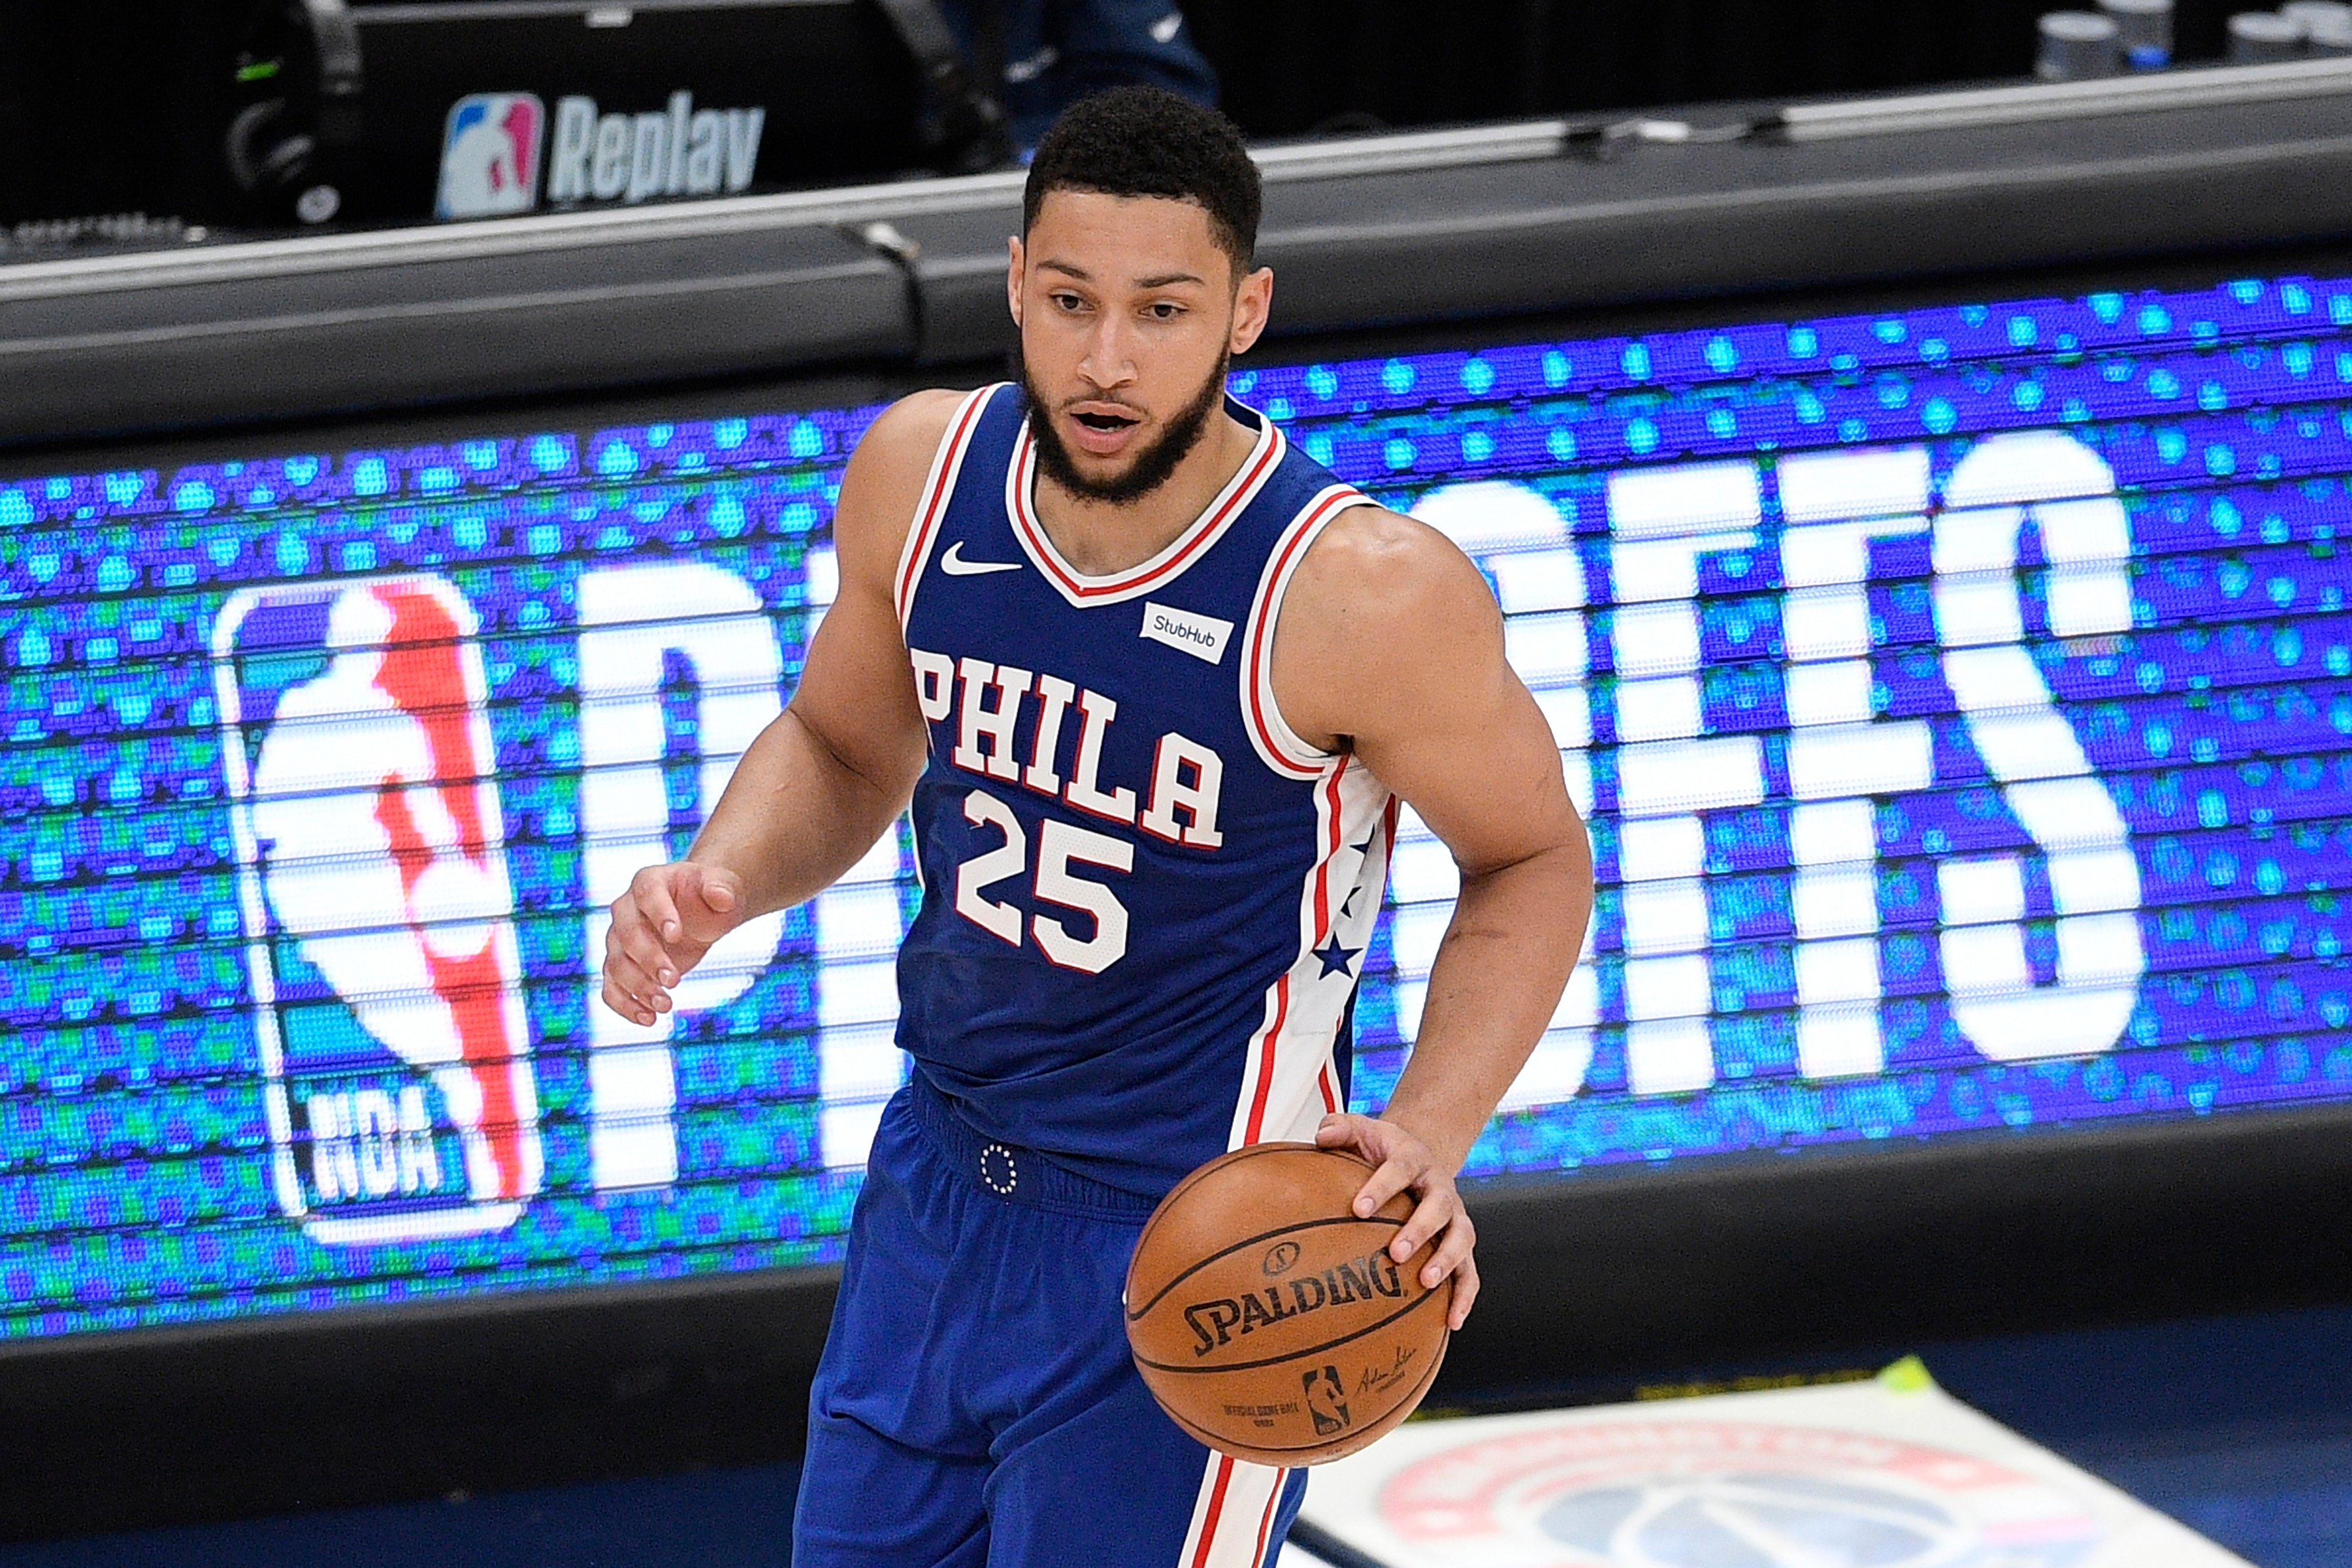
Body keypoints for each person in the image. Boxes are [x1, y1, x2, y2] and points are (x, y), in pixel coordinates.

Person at [600, 86, 1593, 1568]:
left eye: (1162, 311)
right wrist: (723, 876)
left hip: (1205, 1233)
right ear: (1015, 283)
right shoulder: (923, 474)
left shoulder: (1361, 593)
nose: (1106, 360)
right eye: (1070, 302)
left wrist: (1429, 1135)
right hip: (935, 1186)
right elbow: (843, 743)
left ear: (1246, 313)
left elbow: (1533, 858)